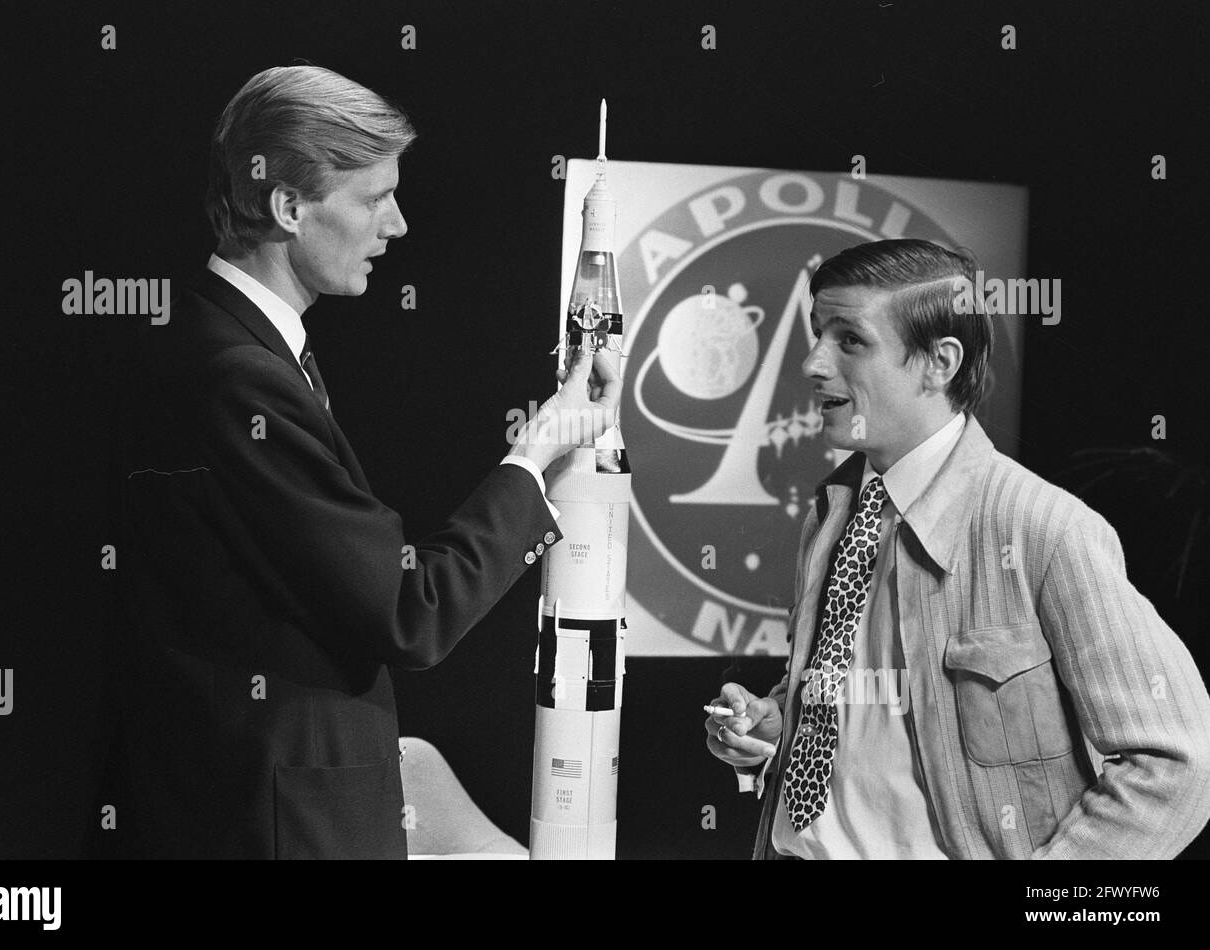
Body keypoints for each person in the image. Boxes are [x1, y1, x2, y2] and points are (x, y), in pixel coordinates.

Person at [111, 65, 619, 858]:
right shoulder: (239, 377)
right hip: (272, 825)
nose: (400, 224)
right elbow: (408, 615)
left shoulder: (227, 348)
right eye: (374, 198)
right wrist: (539, 449)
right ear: (288, 207)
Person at [705, 238, 1210, 859]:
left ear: (939, 362)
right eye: (816, 334)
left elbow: (1179, 763)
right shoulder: (834, 510)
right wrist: (777, 723)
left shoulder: (1043, 527)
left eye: (849, 339)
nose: (812, 363)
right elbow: (869, 702)